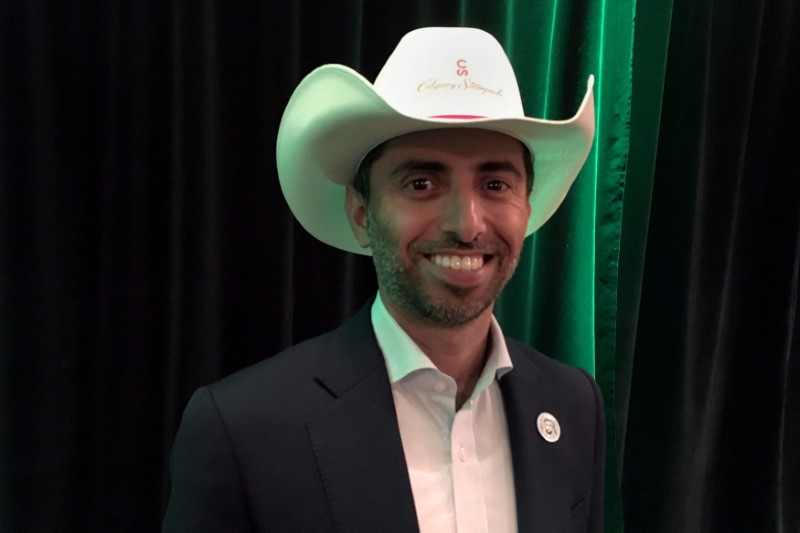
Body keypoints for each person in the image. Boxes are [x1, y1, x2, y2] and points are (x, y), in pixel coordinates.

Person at [163, 26, 604, 533]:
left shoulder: (573, 407)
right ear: (360, 211)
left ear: (527, 205)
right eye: (422, 183)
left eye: (495, 183)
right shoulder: (241, 429)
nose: (467, 224)